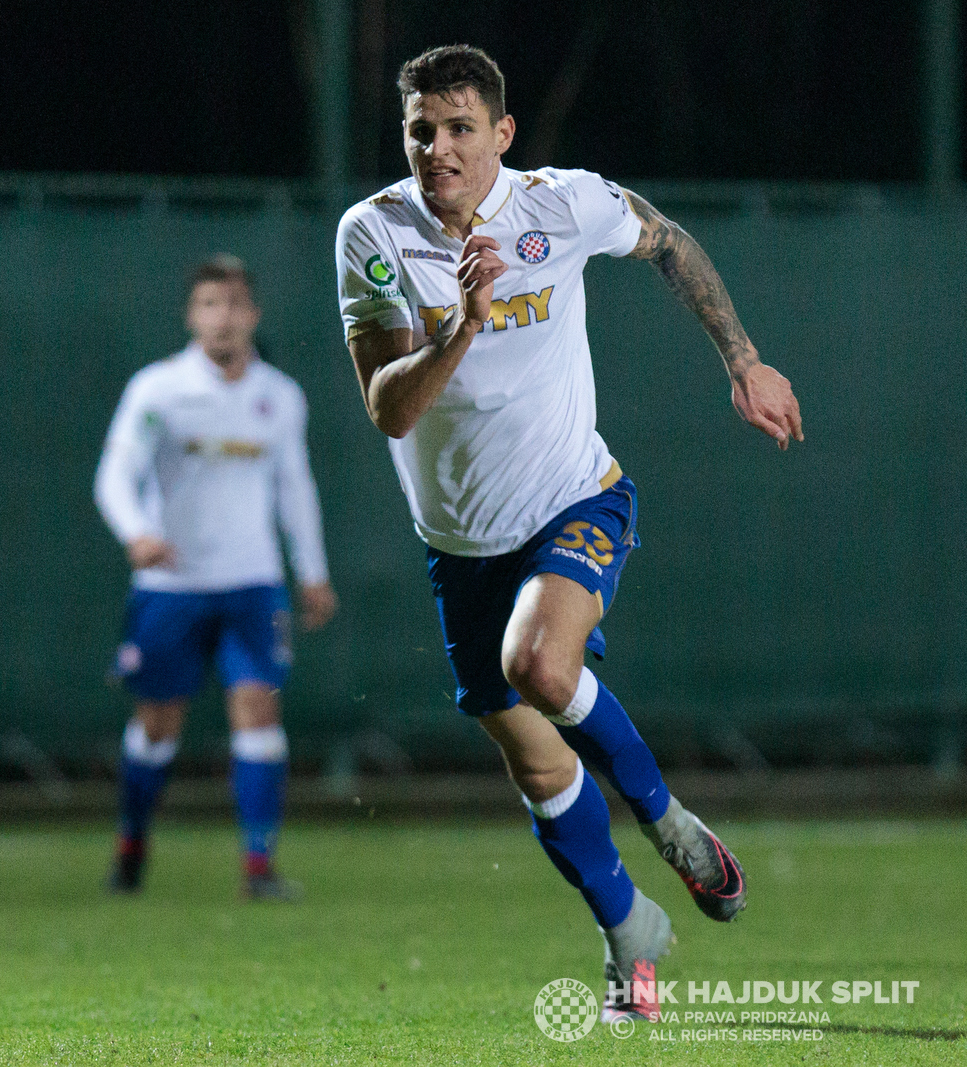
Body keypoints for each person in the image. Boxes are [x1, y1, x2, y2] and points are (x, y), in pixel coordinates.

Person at [334, 45, 802, 1022]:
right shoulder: (373, 232)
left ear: (501, 135)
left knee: (541, 667)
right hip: (458, 546)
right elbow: (387, 407)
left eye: (461, 128)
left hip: (573, 499)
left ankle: (667, 818)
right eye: (421, 128)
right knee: (536, 762)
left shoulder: (561, 203)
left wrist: (743, 359)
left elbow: (667, 240)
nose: (439, 149)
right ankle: (627, 926)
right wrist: (460, 325)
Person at [95, 255, 338, 901]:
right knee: (157, 725)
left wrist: (311, 571)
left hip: (251, 583)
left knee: (258, 711)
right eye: (209, 304)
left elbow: (295, 486)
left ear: (252, 314)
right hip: (170, 588)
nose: (222, 317)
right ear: (190, 315)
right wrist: (136, 533)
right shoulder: (158, 389)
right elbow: (115, 473)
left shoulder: (279, 396)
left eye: (233, 304)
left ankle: (259, 865)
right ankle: (131, 842)